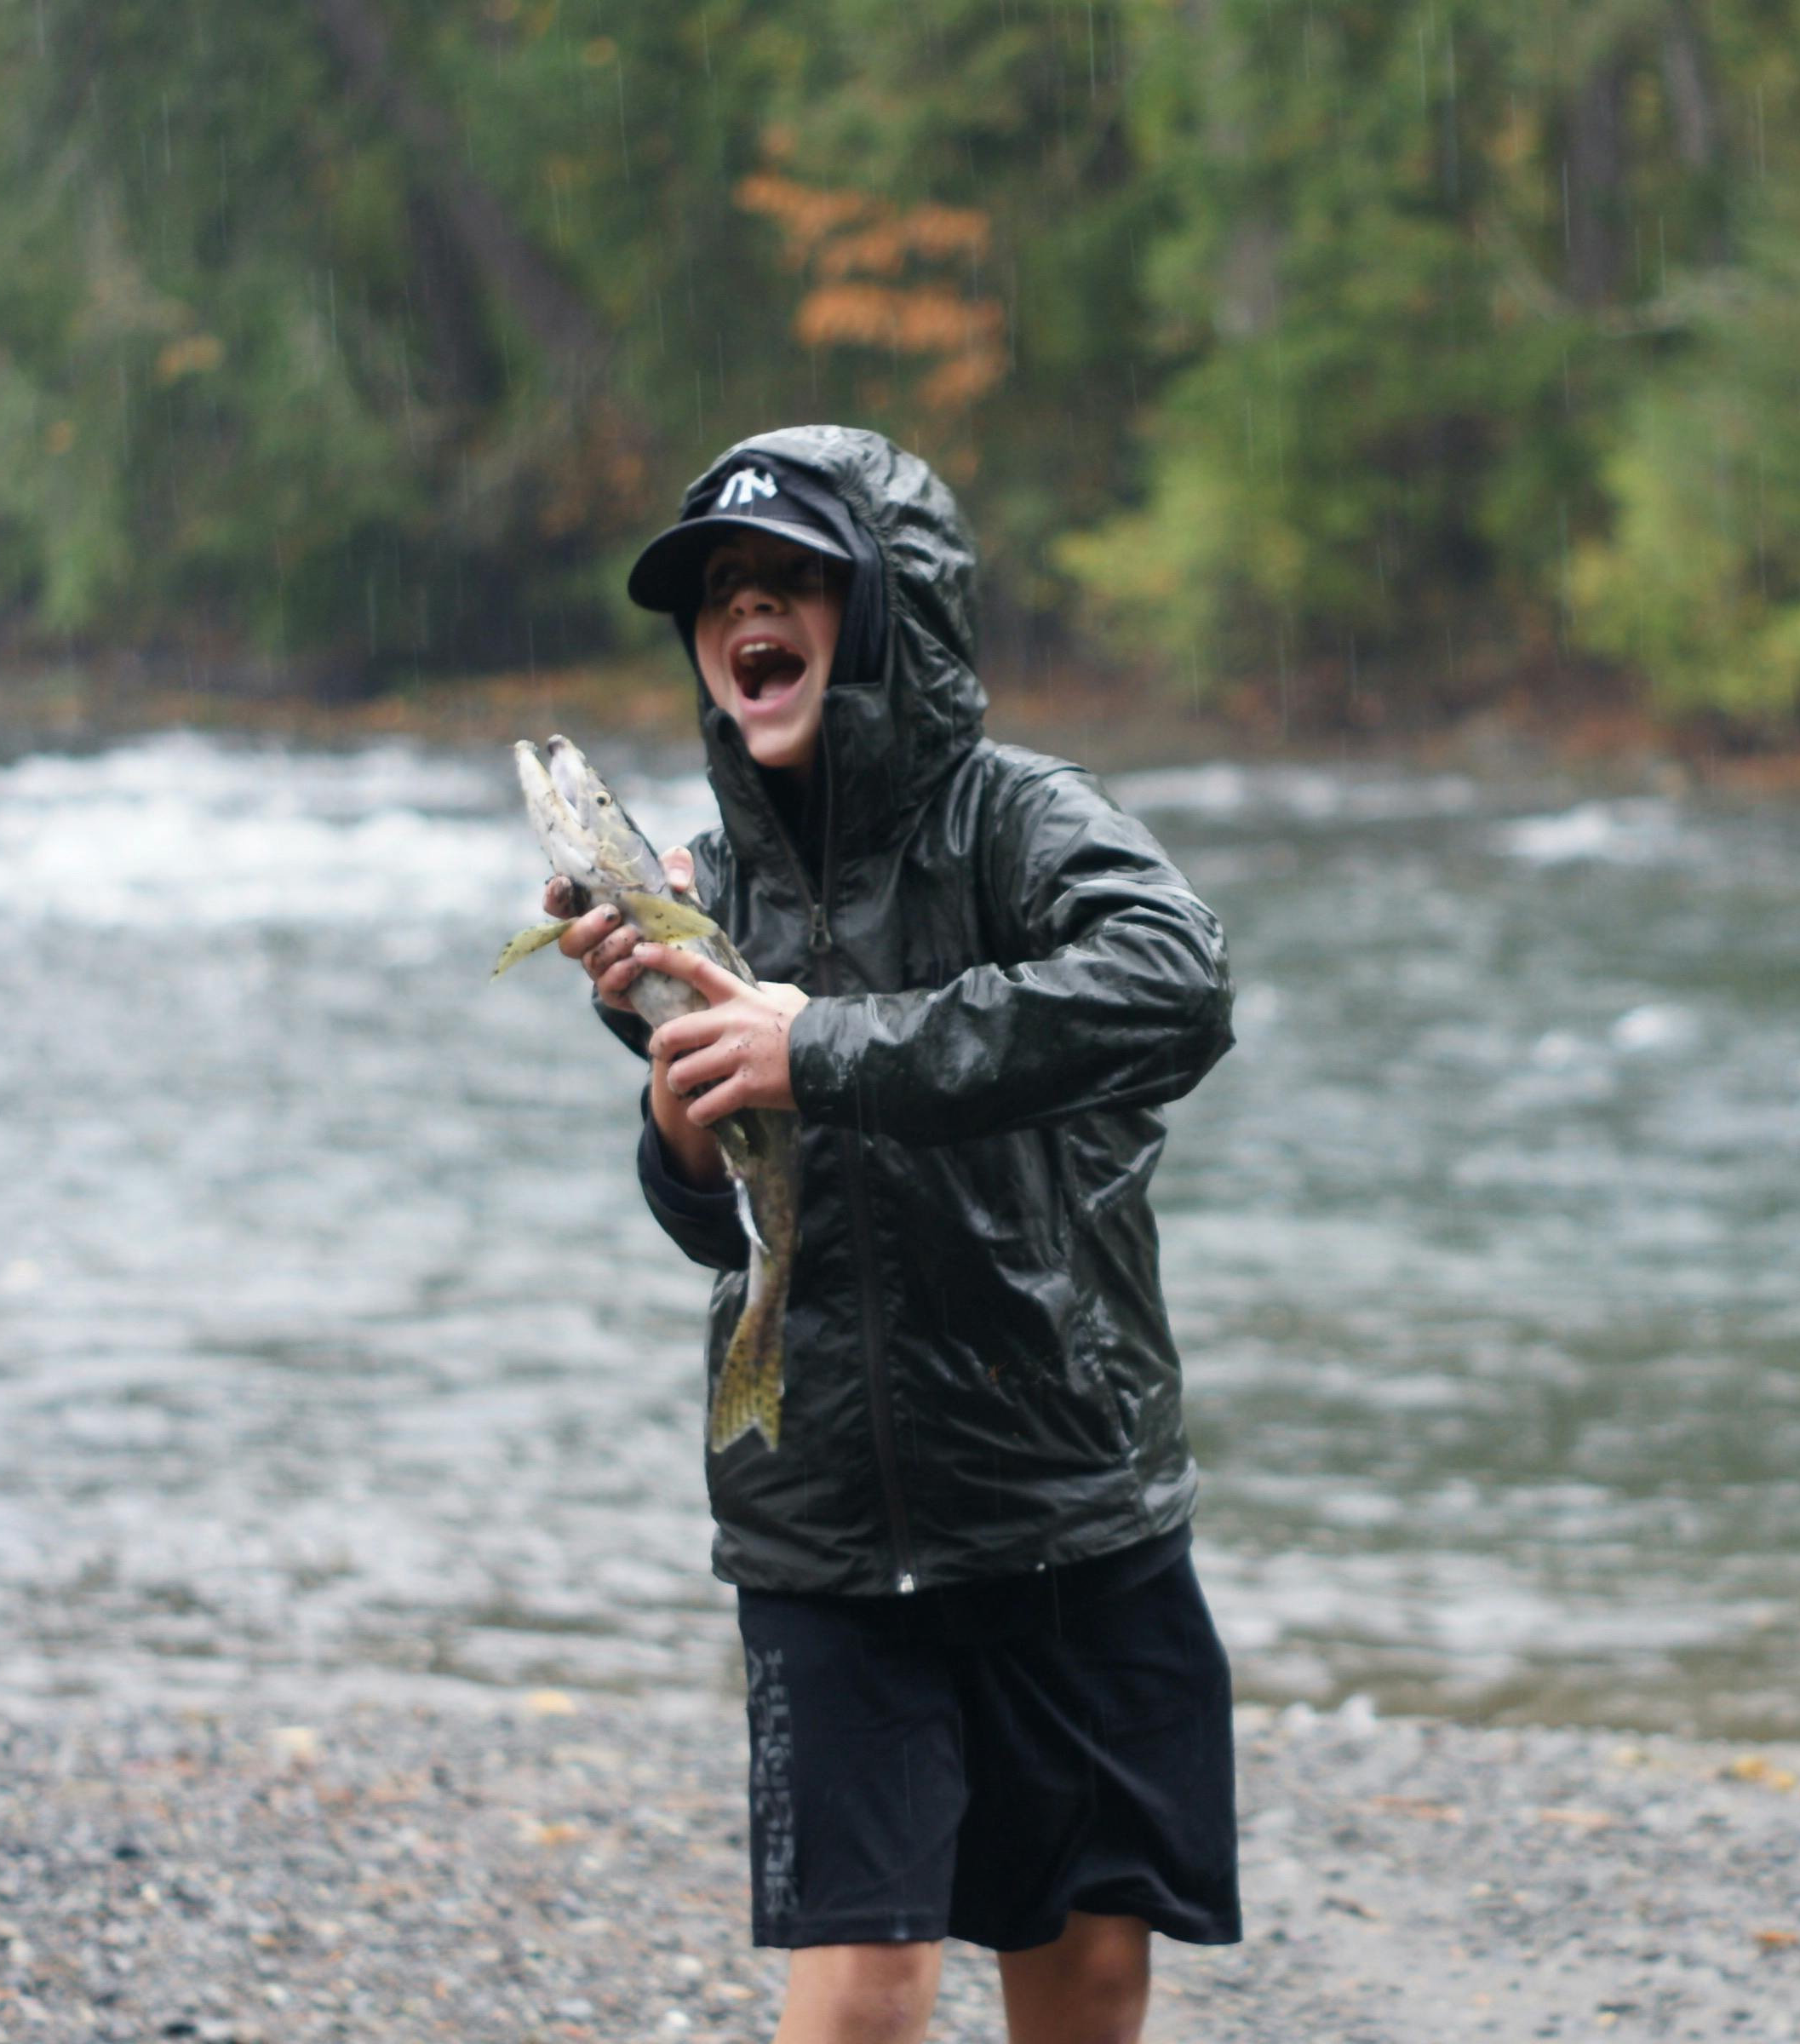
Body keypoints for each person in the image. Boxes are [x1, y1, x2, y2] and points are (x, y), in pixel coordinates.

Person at [532, 425, 1240, 2044]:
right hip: (824, 1523)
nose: (744, 616)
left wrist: (825, 1047)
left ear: (891, 612)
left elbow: (1180, 986)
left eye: (791, 581)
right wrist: (678, 1120)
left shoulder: (1019, 824)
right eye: (718, 594)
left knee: (1082, 1973)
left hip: (1065, 1497)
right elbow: (722, 1228)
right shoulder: (701, 894)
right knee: (859, 1995)